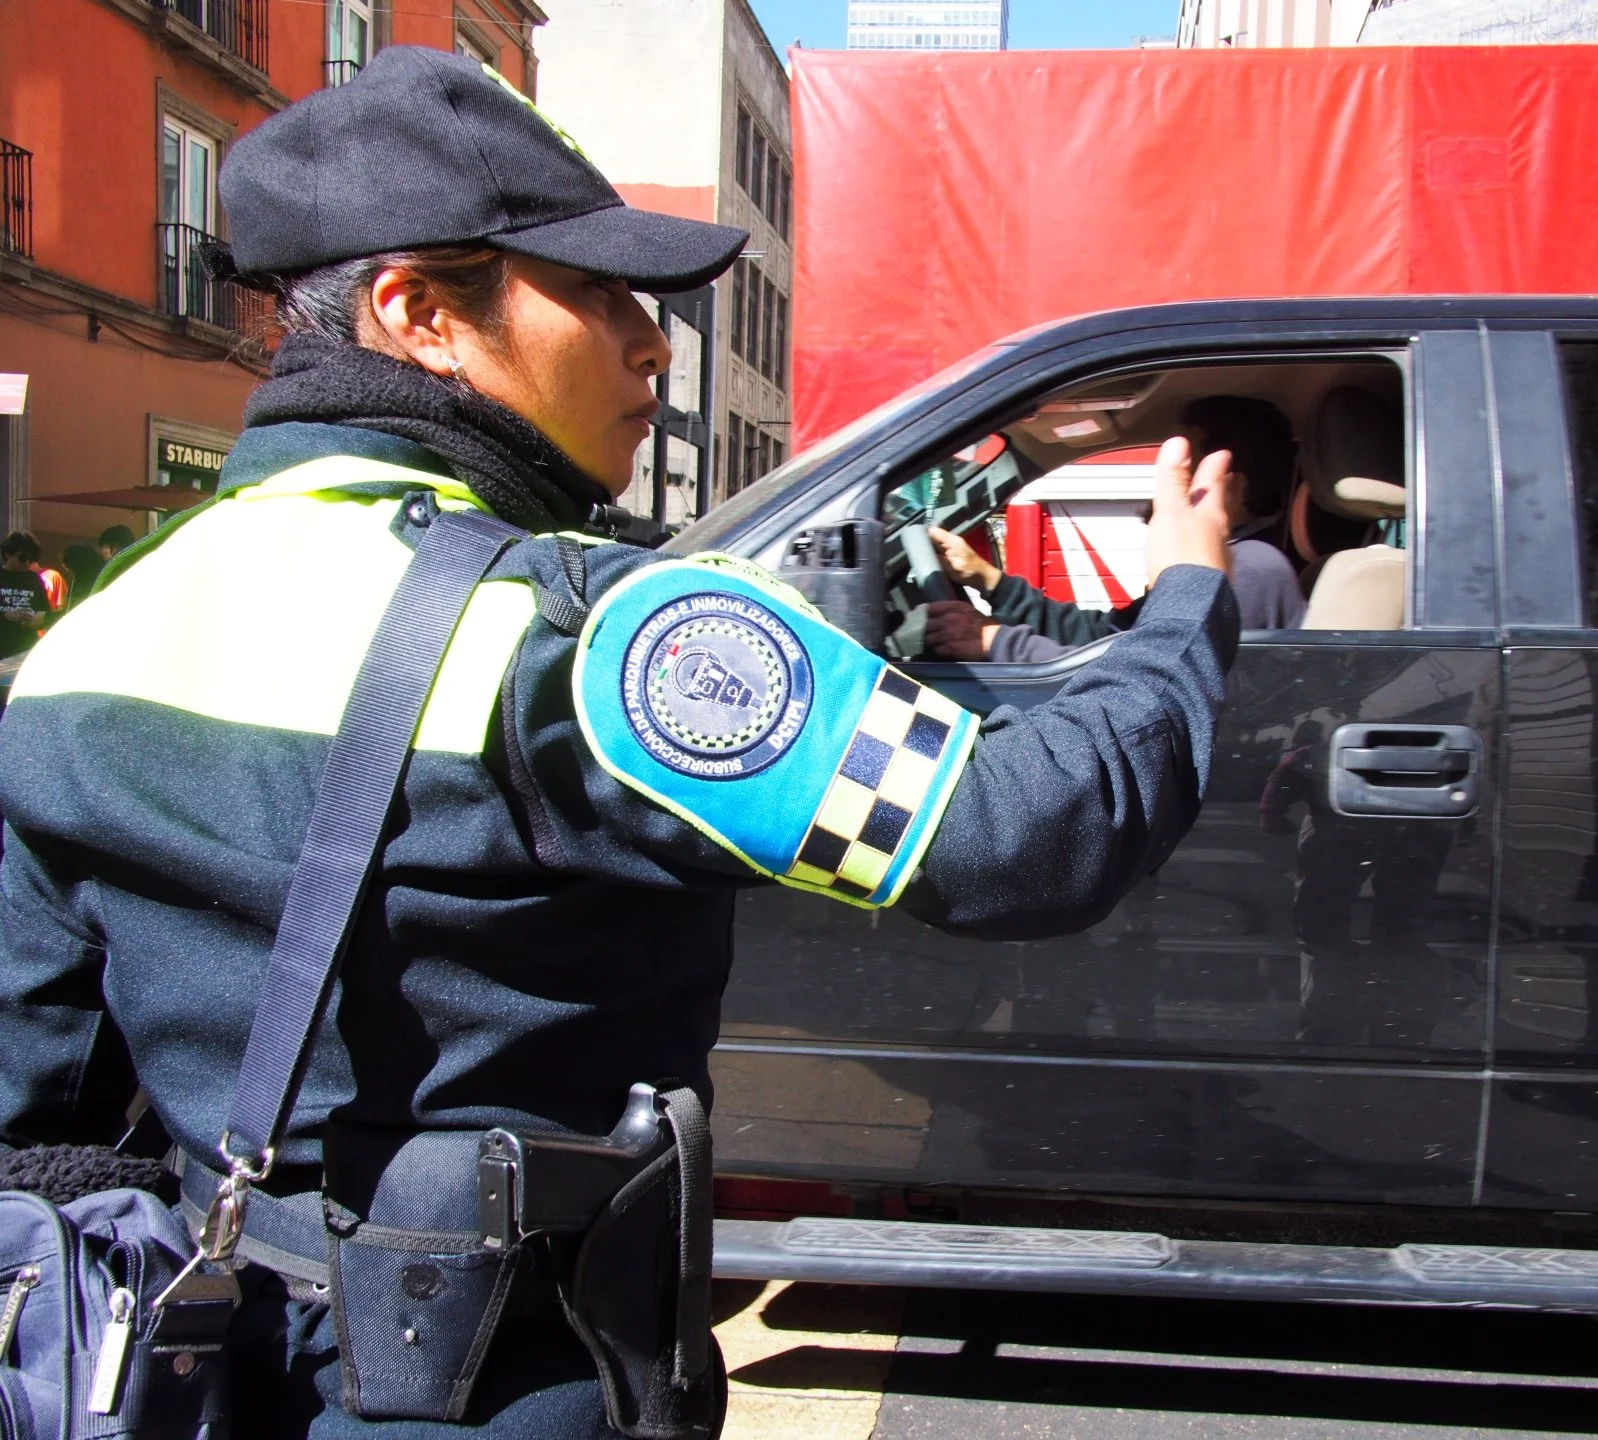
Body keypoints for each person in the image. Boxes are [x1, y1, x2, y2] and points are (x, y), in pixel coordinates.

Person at [0, 47, 1240, 1436]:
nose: (652, 344)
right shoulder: (591, 639)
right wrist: (1187, 598)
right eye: (596, 293)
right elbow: (1036, 834)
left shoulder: (87, 637)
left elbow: (37, 1110)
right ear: (419, 314)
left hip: (205, 1372)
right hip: (526, 1380)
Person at [923, 394, 1306, 662]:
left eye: (1186, 468)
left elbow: (1145, 691)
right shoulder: (1226, 563)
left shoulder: (1248, 571)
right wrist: (988, 579)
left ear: (1230, 485)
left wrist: (997, 642)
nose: (1162, 484)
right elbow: (1108, 635)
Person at [0, 532, 49, 659]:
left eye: (31, 559)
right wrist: (7, 616)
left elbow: (45, 612)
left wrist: (36, 620)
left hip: (25, 648)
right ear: (8, 554)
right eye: (22, 557)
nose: (27, 562)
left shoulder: (34, 579)